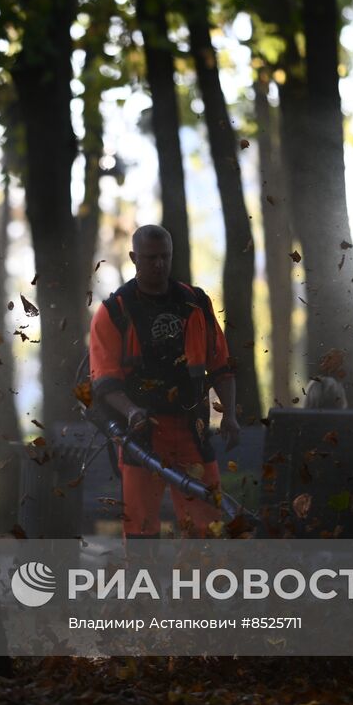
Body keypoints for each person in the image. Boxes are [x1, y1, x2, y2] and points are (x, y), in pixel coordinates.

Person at [88, 225, 241, 539]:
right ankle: (145, 590)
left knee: (207, 528)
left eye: (164, 257)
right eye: (150, 257)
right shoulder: (114, 311)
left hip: (192, 431)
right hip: (142, 437)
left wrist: (230, 415)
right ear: (133, 258)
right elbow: (104, 382)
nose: (158, 264)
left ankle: (199, 588)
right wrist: (131, 411)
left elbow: (221, 367)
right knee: (142, 528)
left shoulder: (195, 303)